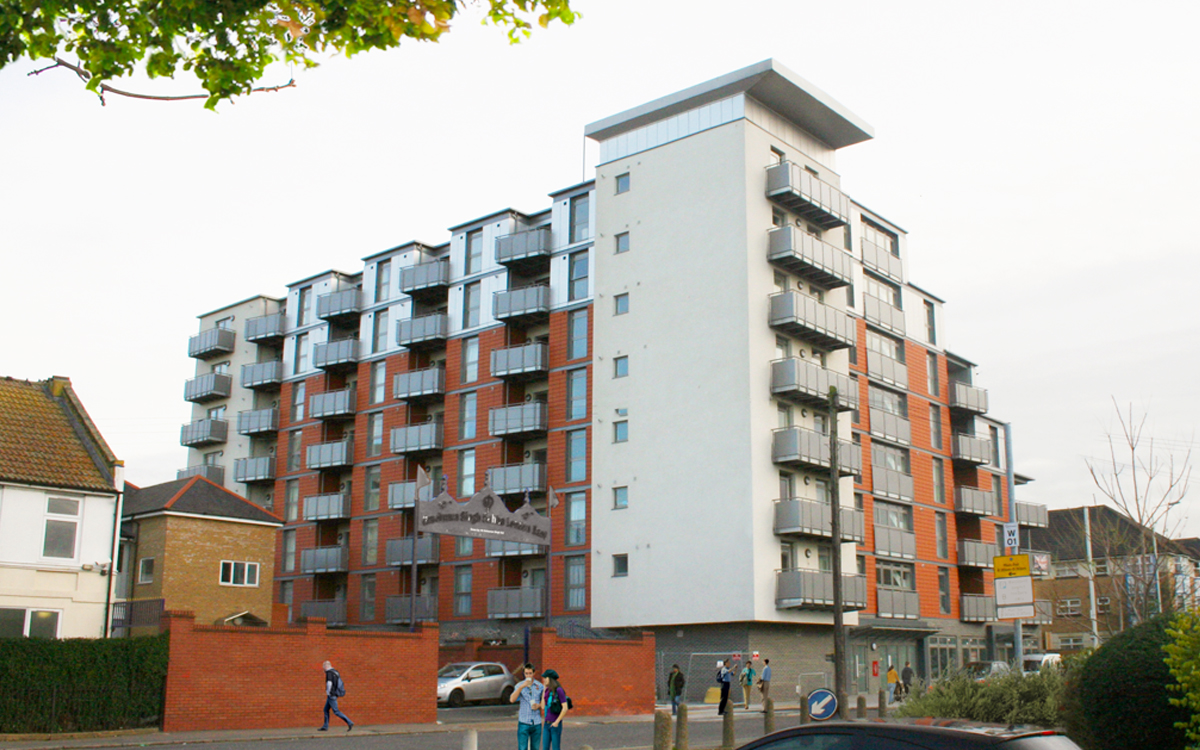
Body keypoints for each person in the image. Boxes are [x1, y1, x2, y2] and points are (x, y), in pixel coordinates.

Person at [510, 662, 543, 750]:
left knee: (535, 747)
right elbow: (512, 699)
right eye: (526, 673)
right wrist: (521, 687)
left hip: (536, 722)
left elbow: (545, 702)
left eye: (530, 673)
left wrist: (538, 705)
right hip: (524, 721)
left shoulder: (539, 686)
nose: (528, 676)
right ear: (524, 674)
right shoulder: (519, 685)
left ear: (534, 673)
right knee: (522, 747)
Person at [319, 660, 354, 731]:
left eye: (323, 667)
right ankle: (325, 726)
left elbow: (329, 683)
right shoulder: (336, 672)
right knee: (326, 710)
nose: (323, 669)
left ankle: (349, 722)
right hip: (334, 694)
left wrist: (328, 693)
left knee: (336, 711)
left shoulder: (329, 673)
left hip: (331, 695)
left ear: (326, 666)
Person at [540, 669, 569, 750]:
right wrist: (544, 691)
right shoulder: (547, 691)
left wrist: (557, 722)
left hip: (555, 724)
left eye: (546, 678)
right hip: (546, 724)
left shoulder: (559, 690)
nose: (544, 680)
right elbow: (542, 706)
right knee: (545, 747)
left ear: (550, 679)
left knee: (556, 748)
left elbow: (565, 707)